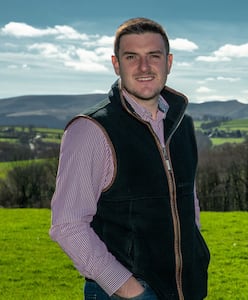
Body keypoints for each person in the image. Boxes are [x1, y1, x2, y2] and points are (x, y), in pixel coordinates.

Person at [50, 17, 210, 300]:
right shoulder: (92, 129)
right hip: (126, 293)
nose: (144, 67)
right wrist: (131, 290)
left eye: (154, 56)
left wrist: (195, 254)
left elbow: (187, 197)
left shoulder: (182, 124)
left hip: (186, 288)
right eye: (132, 57)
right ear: (116, 64)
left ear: (169, 62)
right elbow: (68, 224)